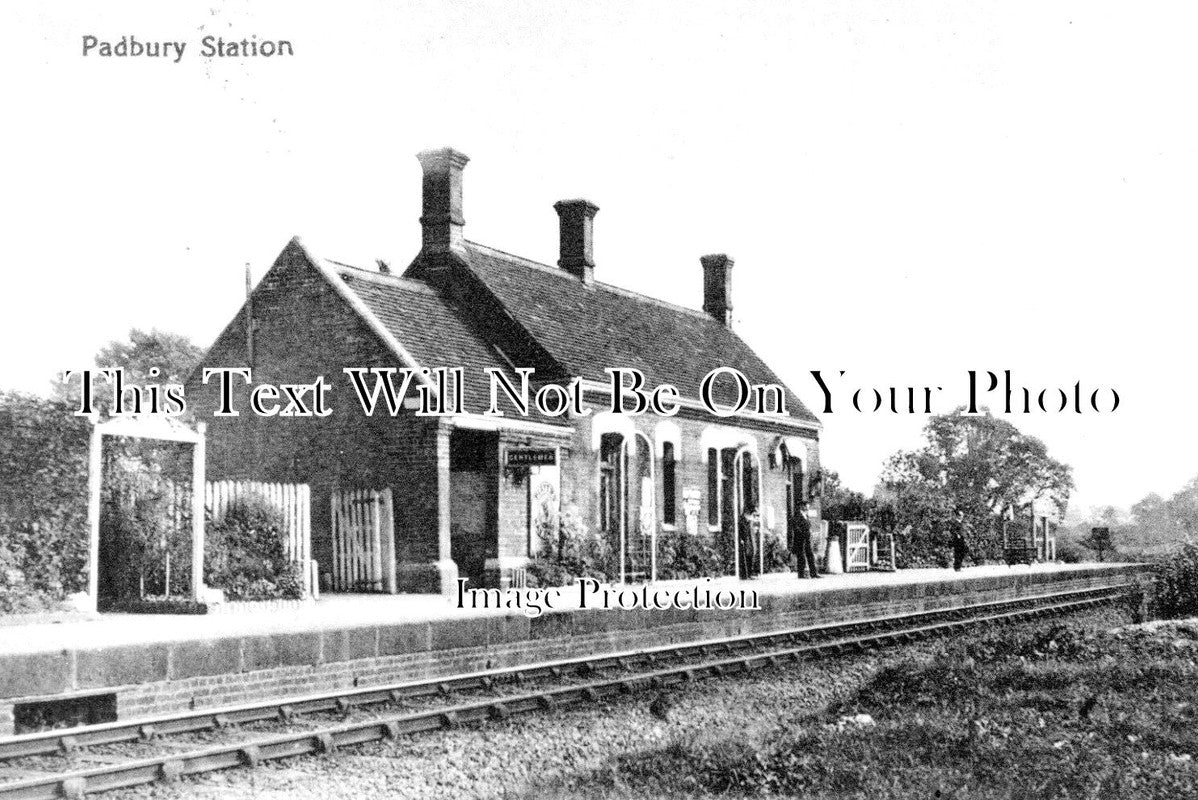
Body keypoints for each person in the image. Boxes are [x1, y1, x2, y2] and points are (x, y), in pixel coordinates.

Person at [794, 501, 821, 578]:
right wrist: (802, 534)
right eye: (806, 506)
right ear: (802, 506)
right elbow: (795, 527)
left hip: (807, 538)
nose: (807, 507)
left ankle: (813, 573)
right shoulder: (797, 515)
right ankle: (801, 574)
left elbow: (807, 525)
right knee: (801, 556)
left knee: (810, 555)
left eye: (808, 506)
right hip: (800, 539)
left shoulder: (806, 515)